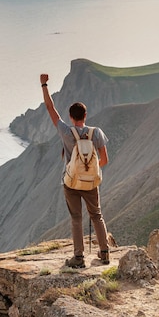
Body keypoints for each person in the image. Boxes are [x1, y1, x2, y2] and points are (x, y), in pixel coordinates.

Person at [40, 73, 110, 268]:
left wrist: (44, 84)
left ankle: (78, 258)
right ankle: (104, 253)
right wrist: (89, 172)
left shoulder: (65, 131)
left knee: (76, 218)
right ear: (85, 116)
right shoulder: (96, 133)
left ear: (70, 117)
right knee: (96, 215)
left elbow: (50, 108)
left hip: (70, 183)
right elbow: (104, 160)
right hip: (91, 183)